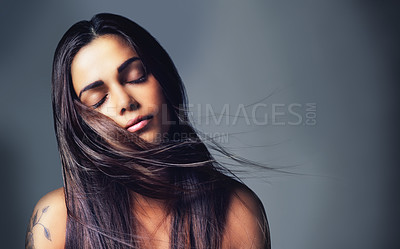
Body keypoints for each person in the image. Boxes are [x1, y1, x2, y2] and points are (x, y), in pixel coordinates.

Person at [25, 13, 271, 249]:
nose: (124, 101)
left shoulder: (238, 211)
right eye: (98, 99)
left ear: (164, 79)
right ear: (81, 123)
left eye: (136, 77)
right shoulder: (56, 221)